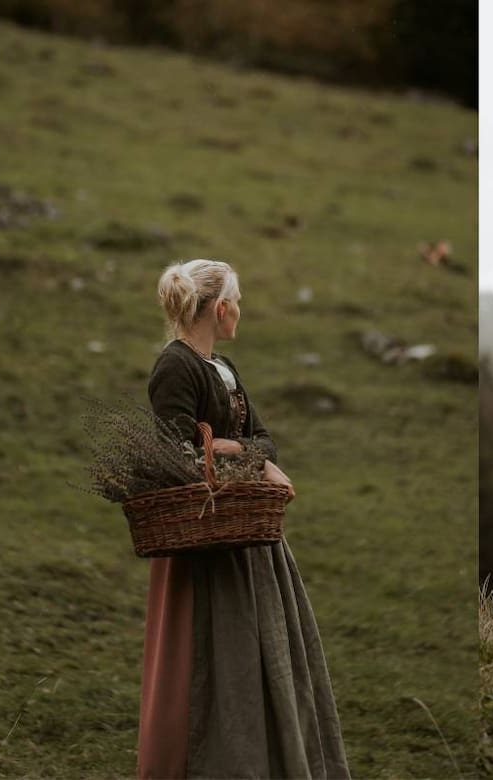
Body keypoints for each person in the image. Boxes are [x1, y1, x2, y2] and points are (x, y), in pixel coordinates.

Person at [138, 259, 350, 778]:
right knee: (210, 653)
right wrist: (250, 457)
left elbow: (266, 439)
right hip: (205, 535)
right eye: (240, 302)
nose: (242, 312)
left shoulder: (223, 365)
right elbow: (176, 454)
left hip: (250, 532)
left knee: (263, 648)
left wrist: (244, 452)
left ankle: (268, 756)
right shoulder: (175, 367)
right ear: (222, 308)